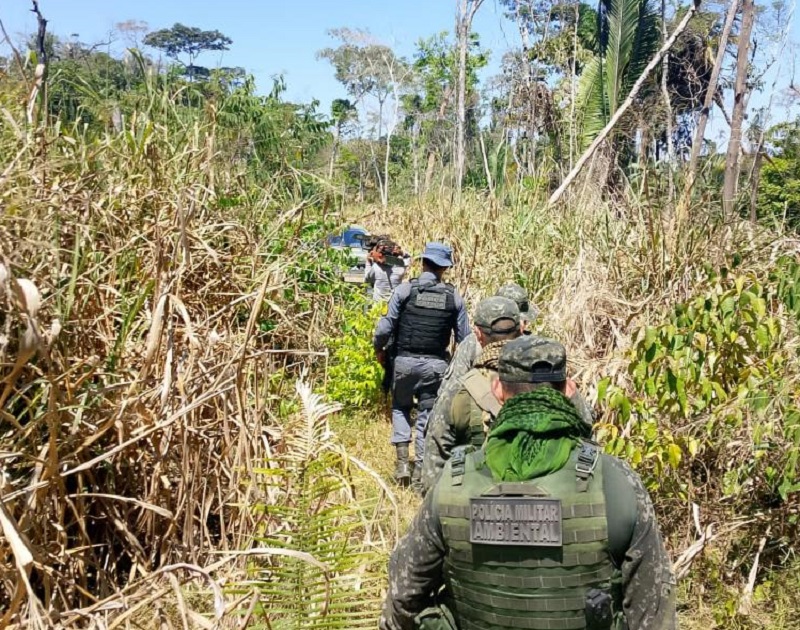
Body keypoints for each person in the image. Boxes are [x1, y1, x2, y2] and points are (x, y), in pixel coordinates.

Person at [380, 335, 677, 630]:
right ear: (568, 389)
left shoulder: (454, 482)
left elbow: (403, 596)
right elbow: (653, 613)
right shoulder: (615, 482)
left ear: (497, 389)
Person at [373, 242, 470, 491]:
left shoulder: (405, 291)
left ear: (423, 262)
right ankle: (420, 474)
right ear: (445, 268)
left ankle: (402, 464)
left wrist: (379, 349)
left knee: (400, 407)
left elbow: (385, 328)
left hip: (403, 362)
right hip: (436, 366)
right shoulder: (454, 298)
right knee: (427, 415)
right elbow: (465, 340)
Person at [420, 296, 523, 494]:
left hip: (476, 507)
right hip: (538, 513)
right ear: (520, 330)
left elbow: (435, 460)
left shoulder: (459, 390)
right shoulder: (548, 384)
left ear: (477, 334)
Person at [366, 237, 408, 302]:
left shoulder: (376, 267)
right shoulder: (401, 267)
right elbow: (408, 258)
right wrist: (401, 253)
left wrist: (368, 262)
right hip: (394, 303)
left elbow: (367, 279)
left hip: (378, 305)